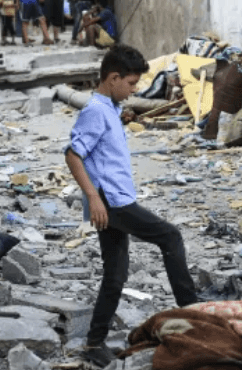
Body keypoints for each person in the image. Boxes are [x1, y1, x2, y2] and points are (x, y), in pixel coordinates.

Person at [64, 45, 198, 368]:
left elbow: (101, 144)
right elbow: (72, 154)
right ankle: (194, 313)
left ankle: (94, 342)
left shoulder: (108, 106)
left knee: (115, 273)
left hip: (114, 199)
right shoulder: (95, 110)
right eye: (131, 83)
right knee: (170, 237)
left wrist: (121, 118)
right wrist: (93, 198)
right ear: (112, 78)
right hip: (113, 202)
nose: (134, 89)